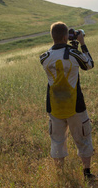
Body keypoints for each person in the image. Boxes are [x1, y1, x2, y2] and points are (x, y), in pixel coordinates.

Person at [39, 21, 95, 179]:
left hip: (54, 106)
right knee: (83, 138)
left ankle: (60, 175)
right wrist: (81, 44)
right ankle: (87, 173)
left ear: (53, 37)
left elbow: (57, 57)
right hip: (75, 105)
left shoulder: (45, 57)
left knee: (57, 140)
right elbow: (89, 65)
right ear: (66, 37)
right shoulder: (73, 53)